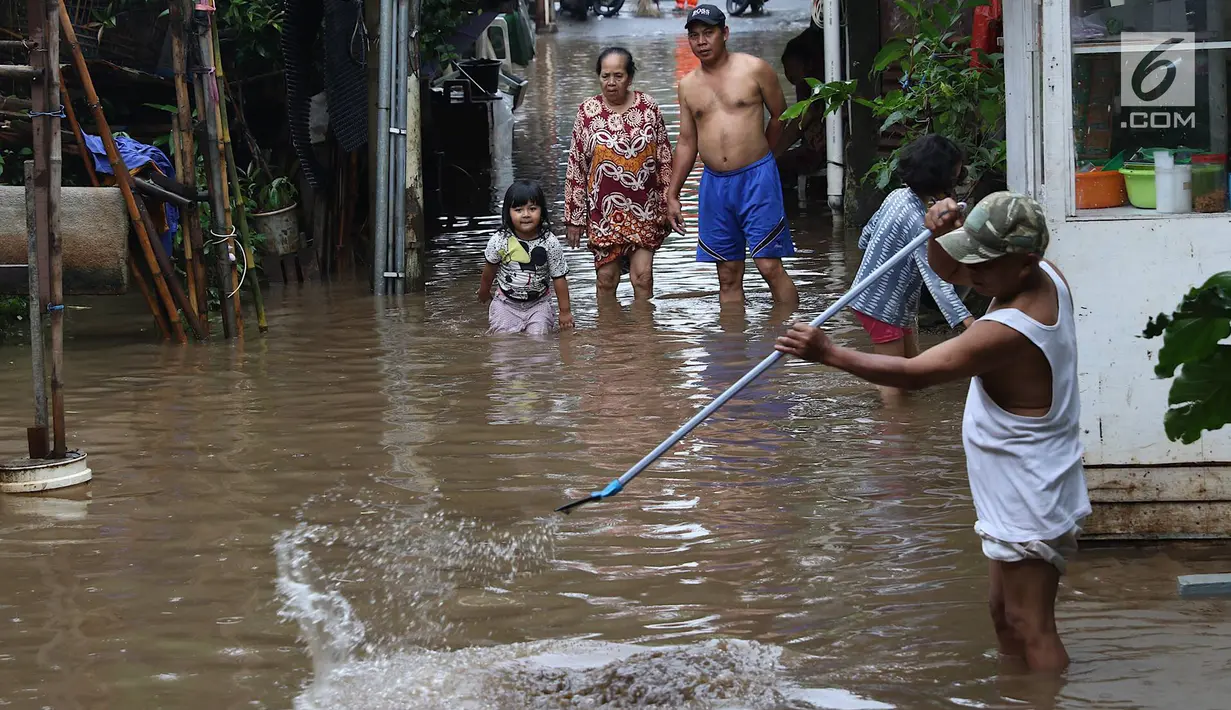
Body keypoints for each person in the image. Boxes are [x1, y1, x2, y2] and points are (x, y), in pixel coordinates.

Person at [775, 192, 1091, 674]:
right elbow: (952, 270)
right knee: (1002, 615)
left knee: (1031, 623)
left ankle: (1047, 695)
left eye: (984, 262)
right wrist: (938, 233)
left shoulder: (1006, 330)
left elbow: (915, 373)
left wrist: (829, 353)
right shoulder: (1046, 277)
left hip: (1031, 493)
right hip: (1014, 488)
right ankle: (1017, 693)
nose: (972, 273)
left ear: (1024, 263)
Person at [667, 4, 799, 306]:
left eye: (708, 33)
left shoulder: (754, 69)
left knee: (769, 266)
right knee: (726, 274)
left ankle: (794, 342)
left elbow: (782, 116)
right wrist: (672, 194)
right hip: (714, 183)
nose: (701, 41)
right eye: (695, 35)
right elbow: (687, 141)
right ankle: (731, 350)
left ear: (724, 33)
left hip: (757, 177)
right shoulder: (687, 86)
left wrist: (768, 156)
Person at [848, 134, 976, 399]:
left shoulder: (896, 197)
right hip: (881, 305)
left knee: (912, 370)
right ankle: (893, 431)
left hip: (884, 299)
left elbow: (865, 238)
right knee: (894, 379)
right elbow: (937, 280)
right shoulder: (919, 223)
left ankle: (909, 423)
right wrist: (970, 324)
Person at [564, 47, 674, 302]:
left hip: (645, 209)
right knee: (606, 281)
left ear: (630, 77)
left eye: (618, 76)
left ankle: (645, 338)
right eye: (605, 76)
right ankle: (610, 339)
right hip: (603, 212)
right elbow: (576, 166)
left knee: (643, 278)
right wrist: (574, 217)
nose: (611, 83)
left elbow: (665, 160)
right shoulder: (587, 112)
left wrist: (670, 201)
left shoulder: (649, 108)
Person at [478, 179, 574, 335]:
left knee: (538, 340)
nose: (526, 215)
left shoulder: (549, 242)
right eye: (518, 210)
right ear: (508, 212)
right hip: (505, 303)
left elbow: (559, 277)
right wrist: (484, 290)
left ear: (541, 211)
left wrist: (565, 312)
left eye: (532, 208)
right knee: (502, 343)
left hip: (539, 304)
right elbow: (490, 268)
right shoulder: (500, 240)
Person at [774, 27, 827, 183]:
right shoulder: (804, 86)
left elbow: (803, 118)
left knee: (776, 167)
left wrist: (773, 154)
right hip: (812, 147)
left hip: (820, 151)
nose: (789, 76)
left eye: (793, 73)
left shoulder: (817, 85)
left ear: (809, 65)